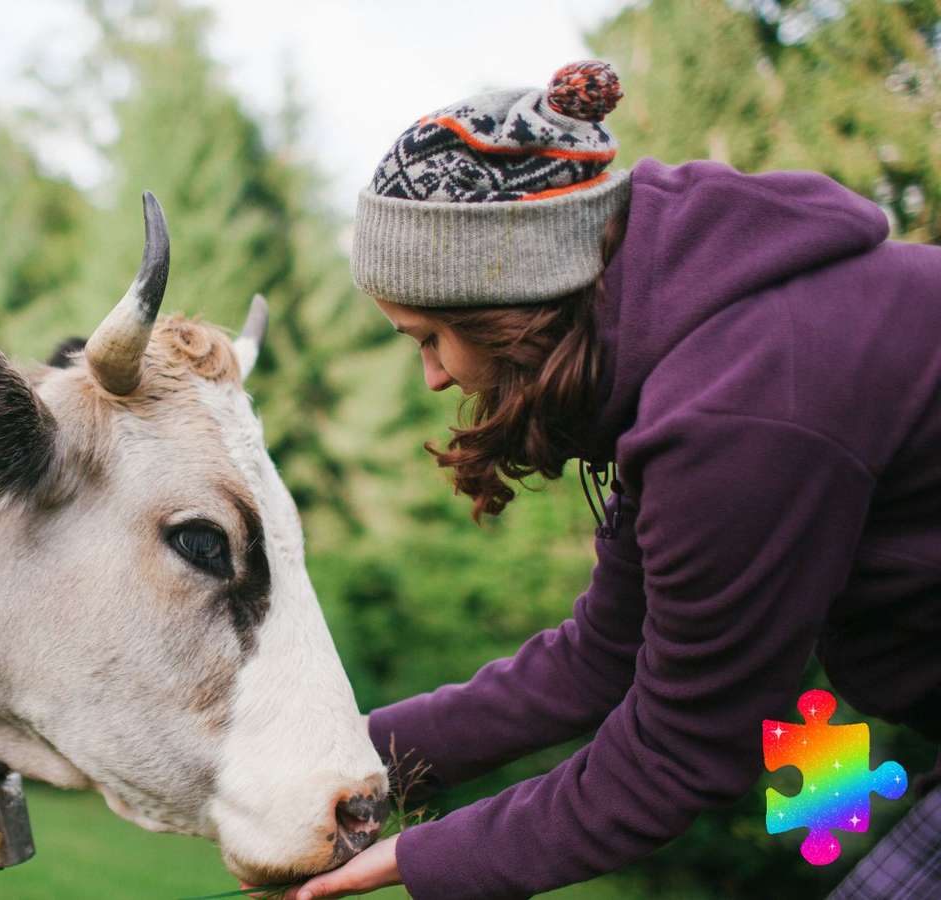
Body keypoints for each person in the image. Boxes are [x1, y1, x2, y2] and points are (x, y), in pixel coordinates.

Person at [290, 61, 941, 899]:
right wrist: (334, 755)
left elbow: (683, 747)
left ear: (507, 305)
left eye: (429, 338)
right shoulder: (694, 349)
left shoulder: (738, 411)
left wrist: (424, 859)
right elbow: (600, 658)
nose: (434, 381)